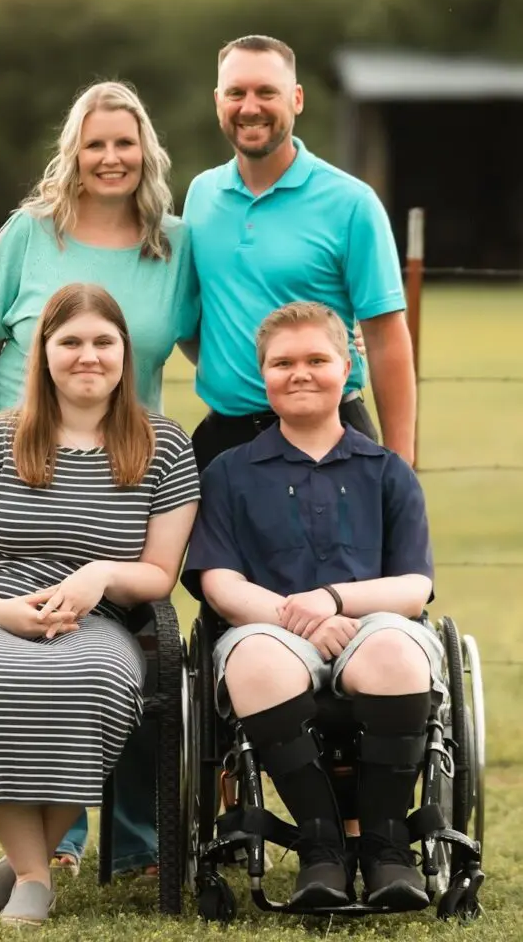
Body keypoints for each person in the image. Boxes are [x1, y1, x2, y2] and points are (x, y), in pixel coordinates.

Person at [0, 81, 199, 875]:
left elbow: (202, 345)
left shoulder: (177, 245)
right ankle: (55, 844)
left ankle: (139, 844)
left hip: (129, 471)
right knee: (41, 644)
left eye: (125, 143)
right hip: (24, 467)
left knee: (131, 636)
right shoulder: (28, 234)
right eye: (96, 143)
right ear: (74, 151)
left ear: (148, 151)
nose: (111, 158)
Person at [0, 284, 199, 925]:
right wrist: (0, 613)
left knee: (98, 680)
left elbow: (158, 573)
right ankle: (36, 875)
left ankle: (20, 867)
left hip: (94, 618)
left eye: (103, 342)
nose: (87, 356)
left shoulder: (166, 447)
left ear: (126, 352)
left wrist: (98, 576)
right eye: (70, 342)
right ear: (44, 352)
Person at [182, 301, 444, 913]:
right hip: (266, 627)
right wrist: (296, 618)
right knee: (256, 666)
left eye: (317, 359)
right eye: (283, 363)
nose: (300, 373)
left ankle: (384, 848)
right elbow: (219, 582)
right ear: (262, 374)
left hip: (373, 622)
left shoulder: (388, 471)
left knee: (395, 654)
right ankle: (321, 847)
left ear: (348, 367)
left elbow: (413, 586)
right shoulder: (228, 472)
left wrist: (333, 601)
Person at [182, 35, 416, 474]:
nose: (249, 107)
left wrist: (400, 465)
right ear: (219, 101)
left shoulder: (351, 203)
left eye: (266, 92)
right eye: (236, 93)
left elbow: (386, 338)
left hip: (330, 439)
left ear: (297, 98)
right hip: (224, 444)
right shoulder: (201, 195)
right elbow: (197, 317)